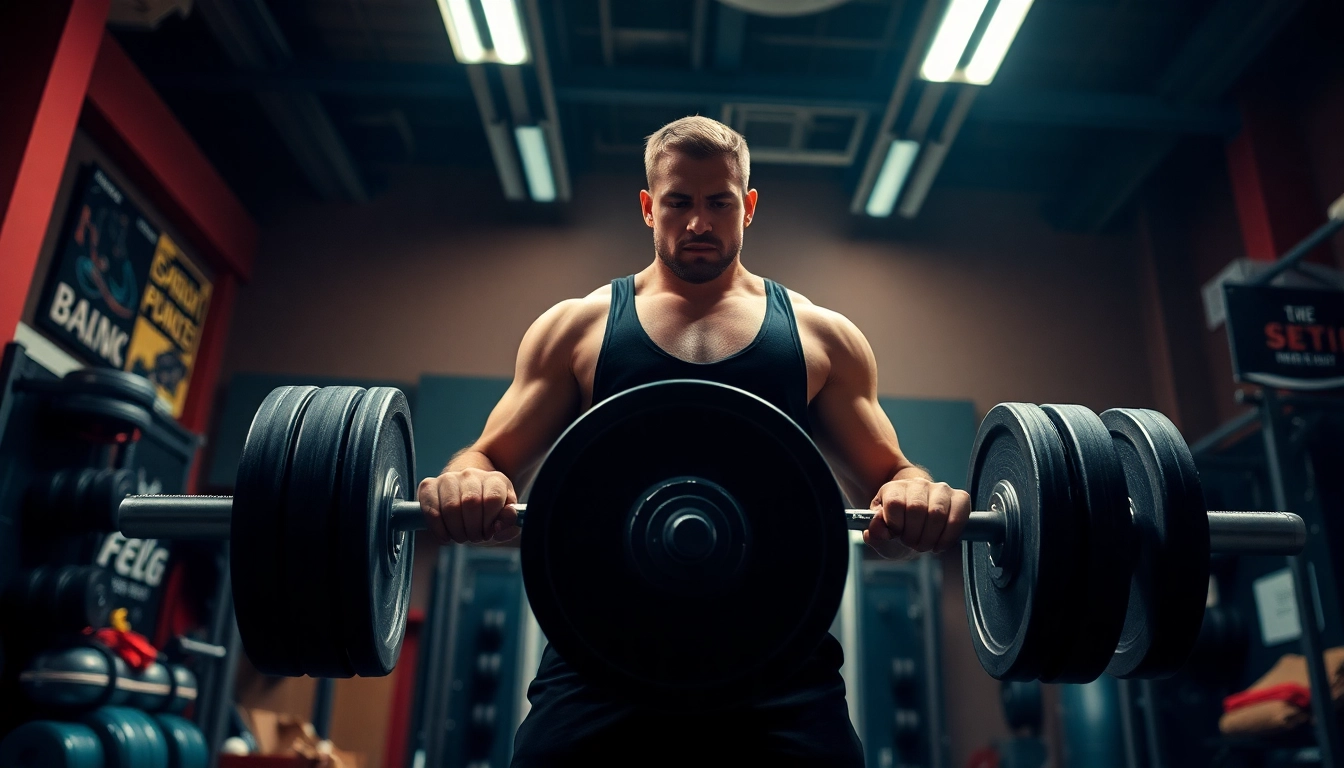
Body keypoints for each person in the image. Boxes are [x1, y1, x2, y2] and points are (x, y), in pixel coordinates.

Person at [419, 115, 972, 766]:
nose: (700, 223)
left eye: (720, 202)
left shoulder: (822, 338)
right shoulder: (578, 330)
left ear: (750, 206)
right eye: (679, 202)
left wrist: (920, 500)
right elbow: (484, 457)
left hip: (777, 663)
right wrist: (470, 480)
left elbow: (894, 475)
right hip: (605, 656)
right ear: (649, 207)